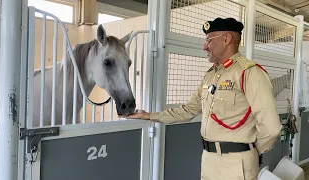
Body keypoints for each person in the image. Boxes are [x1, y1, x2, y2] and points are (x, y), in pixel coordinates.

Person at [119, 17, 282, 180]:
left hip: (236, 165)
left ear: (226, 39)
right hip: (208, 160)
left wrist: (250, 150)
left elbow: (271, 127)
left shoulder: (250, 73)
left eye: (209, 40)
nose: (205, 46)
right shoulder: (211, 75)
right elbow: (189, 109)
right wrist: (149, 116)